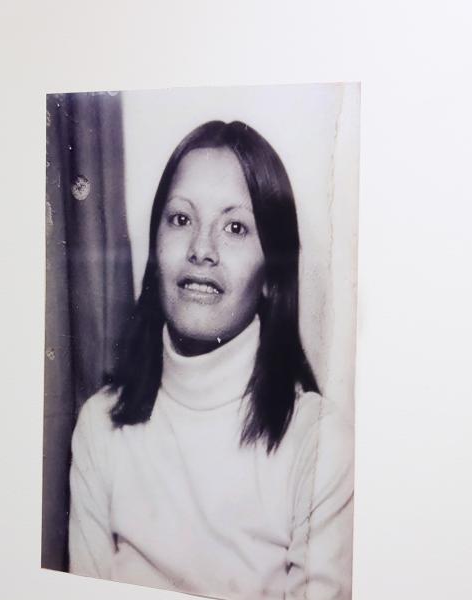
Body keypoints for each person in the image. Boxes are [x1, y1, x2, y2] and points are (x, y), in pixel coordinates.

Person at [68, 121, 354, 600]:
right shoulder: (100, 427)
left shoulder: (320, 447)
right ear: (156, 251)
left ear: (271, 274)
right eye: (181, 219)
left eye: (235, 227)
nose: (201, 249)